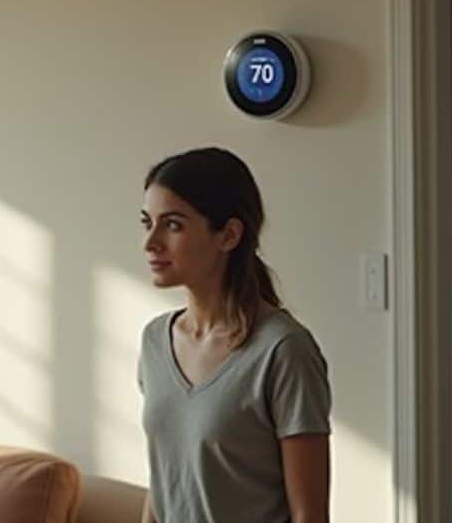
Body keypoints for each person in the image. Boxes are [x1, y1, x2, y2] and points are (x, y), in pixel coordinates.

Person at [137, 147, 331, 523]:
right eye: (148, 223)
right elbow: (164, 484)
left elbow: (310, 515)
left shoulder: (283, 350)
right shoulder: (155, 341)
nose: (151, 243)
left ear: (228, 235)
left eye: (173, 225)